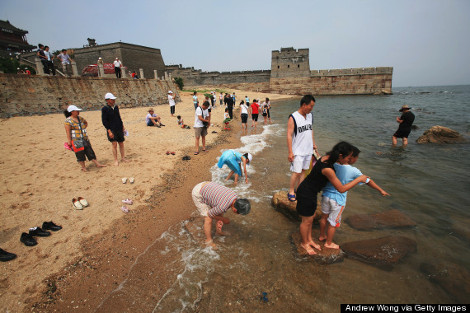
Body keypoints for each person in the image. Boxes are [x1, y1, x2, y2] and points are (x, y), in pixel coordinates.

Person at [296, 141, 369, 255]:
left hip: (310, 191)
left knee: (311, 218)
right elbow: (341, 189)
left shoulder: (326, 158)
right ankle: (303, 243)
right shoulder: (328, 169)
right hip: (306, 193)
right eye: (348, 158)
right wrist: (359, 179)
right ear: (341, 156)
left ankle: (309, 240)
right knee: (306, 221)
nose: (349, 161)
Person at [320, 145, 390, 249]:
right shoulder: (353, 171)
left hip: (326, 196)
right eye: (357, 157)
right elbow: (367, 181)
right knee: (333, 223)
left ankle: (322, 236)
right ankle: (328, 243)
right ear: (351, 157)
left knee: (324, 217)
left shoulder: (332, 164)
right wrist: (380, 190)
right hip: (338, 200)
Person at [192, 181, 251, 248]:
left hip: (206, 185)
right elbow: (210, 214)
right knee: (208, 219)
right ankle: (208, 240)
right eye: (238, 213)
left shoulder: (234, 195)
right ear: (235, 210)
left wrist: (220, 218)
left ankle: (218, 232)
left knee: (219, 213)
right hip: (198, 192)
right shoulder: (222, 207)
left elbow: (220, 206)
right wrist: (223, 219)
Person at [286, 94, 318, 202]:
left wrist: (313, 143)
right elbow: (289, 135)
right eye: (311, 106)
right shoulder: (293, 117)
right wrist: (290, 152)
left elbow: (310, 130)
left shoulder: (310, 116)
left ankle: (299, 190)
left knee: (304, 171)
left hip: (308, 150)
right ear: (304, 105)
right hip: (298, 151)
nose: (311, 108)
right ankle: (291, 191)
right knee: (296, 172)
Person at [64, 105, 105, 171]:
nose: (78, 112)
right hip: (76, 140)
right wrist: (69, 141)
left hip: (84, 138)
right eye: (76, 111)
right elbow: (68, 132)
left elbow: (85, 123)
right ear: (72, 112)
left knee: (90, 151)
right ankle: (83, 167)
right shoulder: (68, 121)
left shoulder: (80, 118)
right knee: (80, 154)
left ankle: (97, 164)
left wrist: (83, 129)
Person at [101, 92, 126, 166]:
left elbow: (119, 117)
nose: (114, 101)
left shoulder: (116, 107)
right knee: (114, 144)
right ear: (107, 100)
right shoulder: (105, 109)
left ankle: (123, 158)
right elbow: (104, 121)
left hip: (118, 127)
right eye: (112, 100)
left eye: (113, 99)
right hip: (112, 129)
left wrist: (122, 126)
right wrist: (109, 131)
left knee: (121, 143)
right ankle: (115, 160)